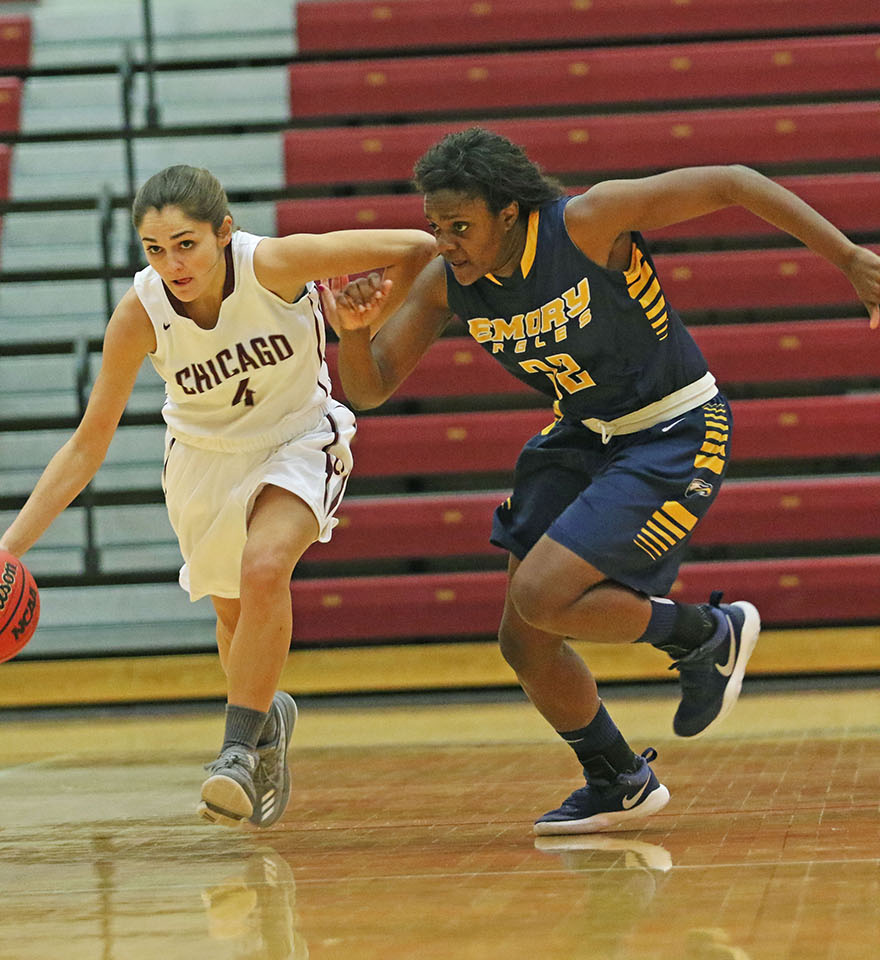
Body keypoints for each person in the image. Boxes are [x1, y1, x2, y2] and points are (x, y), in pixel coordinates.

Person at [323, 127, 880, 835]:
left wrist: (849, 257)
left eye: (460, 227)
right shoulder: (446, 284)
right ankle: (618, 778)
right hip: (585, 434)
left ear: (509, 214)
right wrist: (354, 332)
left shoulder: (589, 223)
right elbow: (368, 392)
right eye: (436, 227)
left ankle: (706, 633)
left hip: (674, 427)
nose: (446, 242)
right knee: (524, 638)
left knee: (540, 593)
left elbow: (734, 178)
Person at [0, 163, 435, 828]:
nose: (172, 263)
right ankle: (264, 724)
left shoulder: (275, 264)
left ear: (224, 232)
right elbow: (88, 443)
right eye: (154, 249)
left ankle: (234, 755)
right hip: (202, 464)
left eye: (186, 244)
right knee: (234, 622)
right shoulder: (141, 313)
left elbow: (420, 248)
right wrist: (7, 550)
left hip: (298, 439)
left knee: (265, 569)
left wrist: (371, 313)